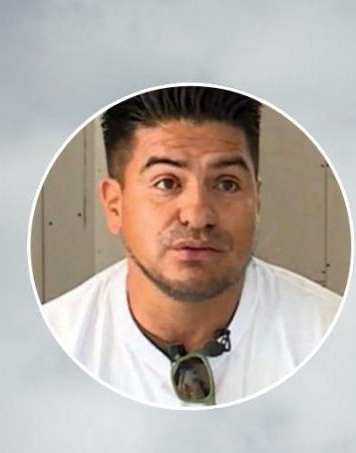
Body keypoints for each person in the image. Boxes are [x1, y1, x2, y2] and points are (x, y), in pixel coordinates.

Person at [41, 85, 340, 407]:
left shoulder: (329, 335)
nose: (197, 216)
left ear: (257, 201)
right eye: (166, 183)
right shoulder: (56, 345)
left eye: (227, 184)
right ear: (115, 206)